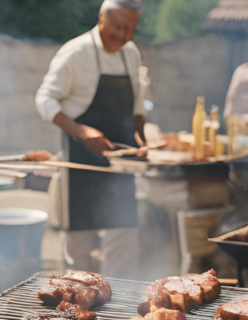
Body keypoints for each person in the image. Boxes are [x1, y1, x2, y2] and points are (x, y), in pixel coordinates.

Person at [36, 0, 146, 277]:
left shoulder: (130, 53)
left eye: (130, 29)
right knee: (79, 252)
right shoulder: (76, 52)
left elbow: (138, 104)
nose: (123, 35)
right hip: (81, 162)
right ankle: (78, 311)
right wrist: (81, 131)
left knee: (123, 244)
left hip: (121, 164)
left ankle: (118, 309)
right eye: (118, 27)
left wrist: (141, 137)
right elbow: (44, 99)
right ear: (101, 18)